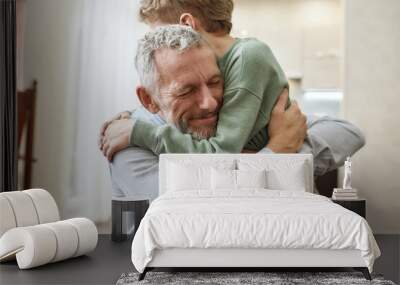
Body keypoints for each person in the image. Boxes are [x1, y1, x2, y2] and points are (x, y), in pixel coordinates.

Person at [99, 25, 365, 202]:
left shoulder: (229, 117)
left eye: (215, 82)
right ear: (149, 99)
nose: (210, 103)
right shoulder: (127, 142)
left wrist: (271, 153)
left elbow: (348, 132)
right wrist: (277, 153)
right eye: (186, 91)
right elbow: (199, 210)